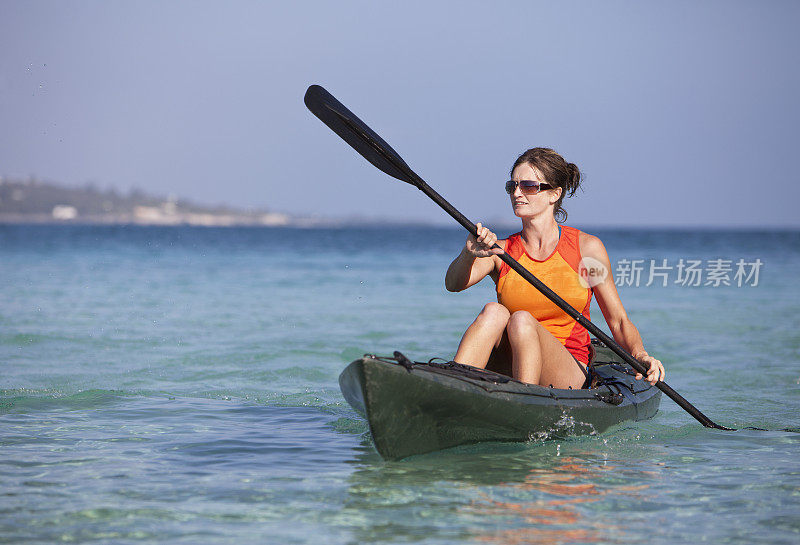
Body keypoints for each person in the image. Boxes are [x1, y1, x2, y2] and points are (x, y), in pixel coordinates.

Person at [444, 147, 664, 389]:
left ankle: (524, 404)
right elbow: (453, 284)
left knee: (521, 321)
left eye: (529, 186)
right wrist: (468, 253)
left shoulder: (587, 249)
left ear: (554, 194)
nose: (517, 193)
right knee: (493, 311)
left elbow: (618, 321)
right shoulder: (500, 250)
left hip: (567, 367)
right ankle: (451, 388)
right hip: (510, 363)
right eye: (512, 186)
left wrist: (640, 356)